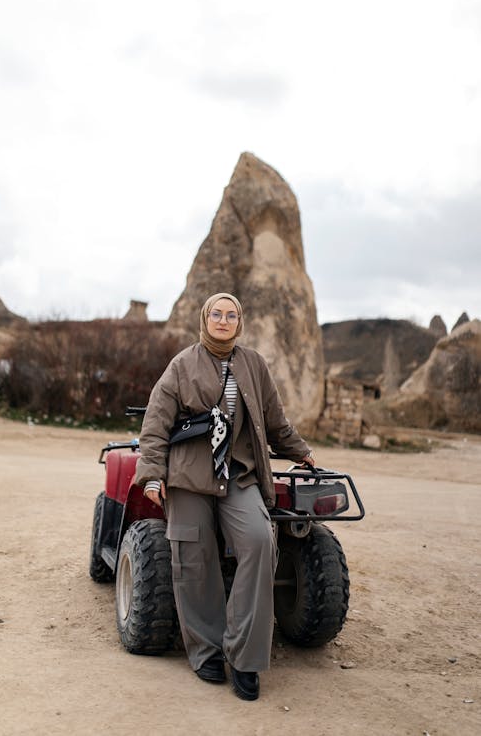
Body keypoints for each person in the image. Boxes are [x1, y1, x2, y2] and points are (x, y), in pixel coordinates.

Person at [135, 292, 314, 701]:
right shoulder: (182, 364)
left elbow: (274, 420)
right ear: (205, 318)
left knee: (259, 540)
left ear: (239, 322)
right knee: (193, 556)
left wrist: (300, 451)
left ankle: (245, 655)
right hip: (189, 476)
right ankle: (206, 651)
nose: (223, 320)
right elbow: (155, 425)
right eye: (216, 313)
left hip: (238, 475)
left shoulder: (254, 364)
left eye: (231, 315)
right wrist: (151, 475)